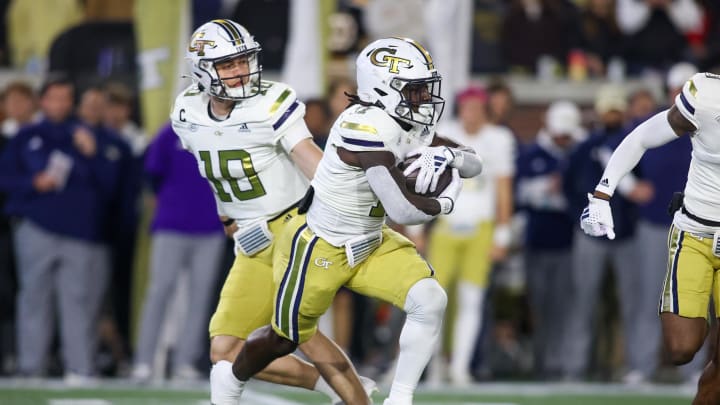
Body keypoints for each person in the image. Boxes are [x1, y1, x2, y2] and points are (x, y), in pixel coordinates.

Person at [216, 37, 483, 405]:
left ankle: (399, 400)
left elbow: (474, 162)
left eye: (425, 89)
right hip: (321, 245)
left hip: (372, 241)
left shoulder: (406, 119)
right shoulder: (363, 128)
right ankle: (231, 379)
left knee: (430, 299)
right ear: (383, 89)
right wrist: (447, 198)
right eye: (415, 90)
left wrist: (451, 158)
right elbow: (402, 209)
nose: (424, 98)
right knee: (284, 338)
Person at [170, 19, 374, 405]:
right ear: (201, 69)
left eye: (244, 61)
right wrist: (228, 214)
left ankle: (356, 396)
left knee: (298, 331)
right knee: (226, 352)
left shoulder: (270, 102)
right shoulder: (186, 112)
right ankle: (335, 386)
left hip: (295, 227)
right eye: (228, 64)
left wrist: (354, 203)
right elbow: (213, 168)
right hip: (251, 238)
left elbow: (312, 160)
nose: (241, 71)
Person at [581, 72, 720, 403]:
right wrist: (602, 194)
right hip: (696, 234)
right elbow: (642, 135)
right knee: (681, 347)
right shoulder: (705, 97)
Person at [0, 75, 119, 382]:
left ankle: (79, 367)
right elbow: (5, 178)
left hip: (79, 232)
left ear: (72, 102)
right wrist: (32, 183)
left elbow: (111, 186)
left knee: (78, 301)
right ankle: (31, 367)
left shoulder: (88, 136)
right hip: (36, 228)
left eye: (66, 98)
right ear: (43, 101)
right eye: (54, 98)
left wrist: (93, 155)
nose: (60, 104)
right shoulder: (27, 136)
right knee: (34, 297)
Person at [426, 85, 515, 385]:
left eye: (478, 107)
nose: (472, 113)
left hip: (481, 228)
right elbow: (423, 180)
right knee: (432, 300)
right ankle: (434, 364)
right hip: (446, 226)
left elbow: (504, 187)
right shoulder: (444, 133)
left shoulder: (499, 139)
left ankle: (459, 367)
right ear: (460, 109)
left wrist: (503, 234)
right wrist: (415, 227)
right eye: (467, 107)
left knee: (471, 300)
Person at [132, 123, 225, 381]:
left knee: (200, 297)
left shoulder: (226, 131)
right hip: (171, 224)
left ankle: (186, 361)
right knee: (159, 291)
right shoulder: (170, 132)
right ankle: (143, 360)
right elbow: (152, 171)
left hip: (210, 226)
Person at [515, 101, 584, 379]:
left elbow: (579, 196)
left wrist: (558, 193)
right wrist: (547, 189)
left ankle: (559, 363)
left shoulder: (578, 153)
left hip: (569, 242)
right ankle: (540, 362)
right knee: (539, 306)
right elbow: (520, 194)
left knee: (564, 306)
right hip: (537, 241)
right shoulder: (532, 153)